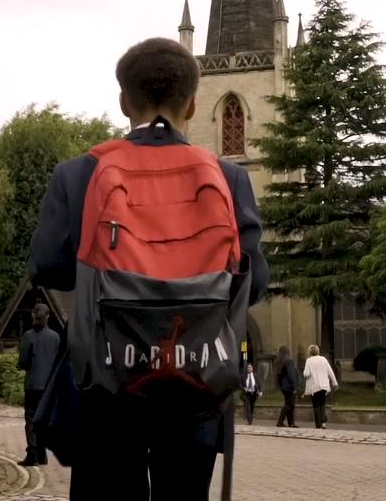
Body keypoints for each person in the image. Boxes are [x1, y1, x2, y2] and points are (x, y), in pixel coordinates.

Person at [27, 38, 269, 500]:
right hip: (197, 386)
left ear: (124, 102)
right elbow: (253, 281)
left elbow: (46, 267)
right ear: (193, 104)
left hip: (105, 384)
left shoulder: (79, 173)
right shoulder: (229, 177)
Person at [19, 303, 61, 466]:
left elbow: (23, 362)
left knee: (31, 419)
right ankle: (42, 454)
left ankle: (32, 454)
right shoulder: (55, 337)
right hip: (49, 385)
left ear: (33, 316)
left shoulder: (28, 336)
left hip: (32, 384)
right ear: (48, 316)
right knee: (44, 419)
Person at [302, 344, 339, 429]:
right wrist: (335, 383)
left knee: (316, 405)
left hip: (314, 386)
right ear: (318, 351)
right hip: (324, 386)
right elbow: (330, 372)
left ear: (309, 352)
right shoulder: (323, 359)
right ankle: (323, 422)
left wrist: (304, 372)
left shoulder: (309, 360)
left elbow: (306, 374)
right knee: (322, 404)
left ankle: (318, 424)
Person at [275, 346, 300, 428]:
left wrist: (281, 386)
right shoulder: (289, 361)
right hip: (290, 386)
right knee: (289, 404)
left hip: (284, 387)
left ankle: (291, 423)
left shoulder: (280, 361)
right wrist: (294, 386)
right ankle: (280, 422)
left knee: (290, 404)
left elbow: (278, 376)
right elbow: (291, 374)